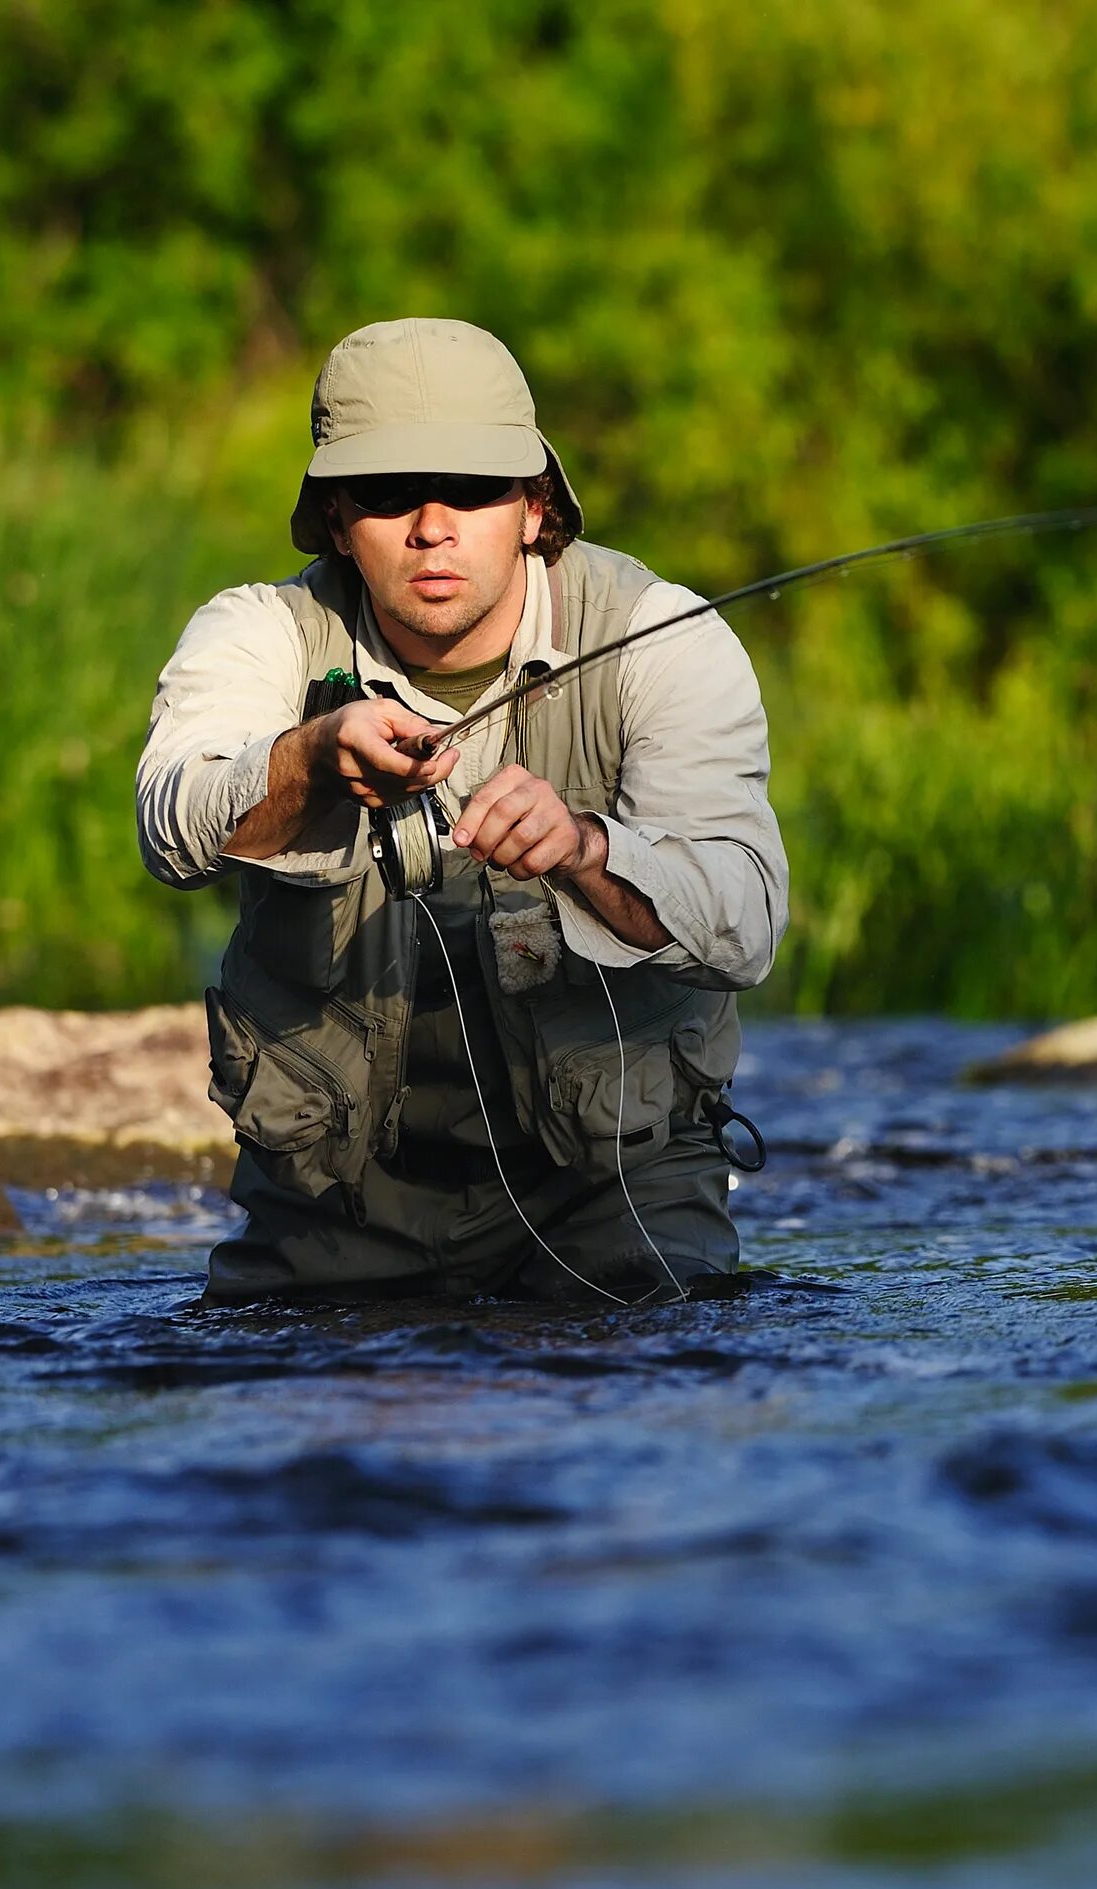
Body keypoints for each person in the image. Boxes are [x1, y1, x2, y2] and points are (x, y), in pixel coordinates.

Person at [138, 318, 787, 1302]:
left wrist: (582, 849)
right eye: (393, 493)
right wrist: (312, 760)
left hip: (616, 1188)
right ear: (340, 513)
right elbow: (172, 824)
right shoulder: (260, 634)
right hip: (333, 1202)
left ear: (534, 508)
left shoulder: (662, 637)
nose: (432, 524)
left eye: (473, 489)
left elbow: (745, 923)